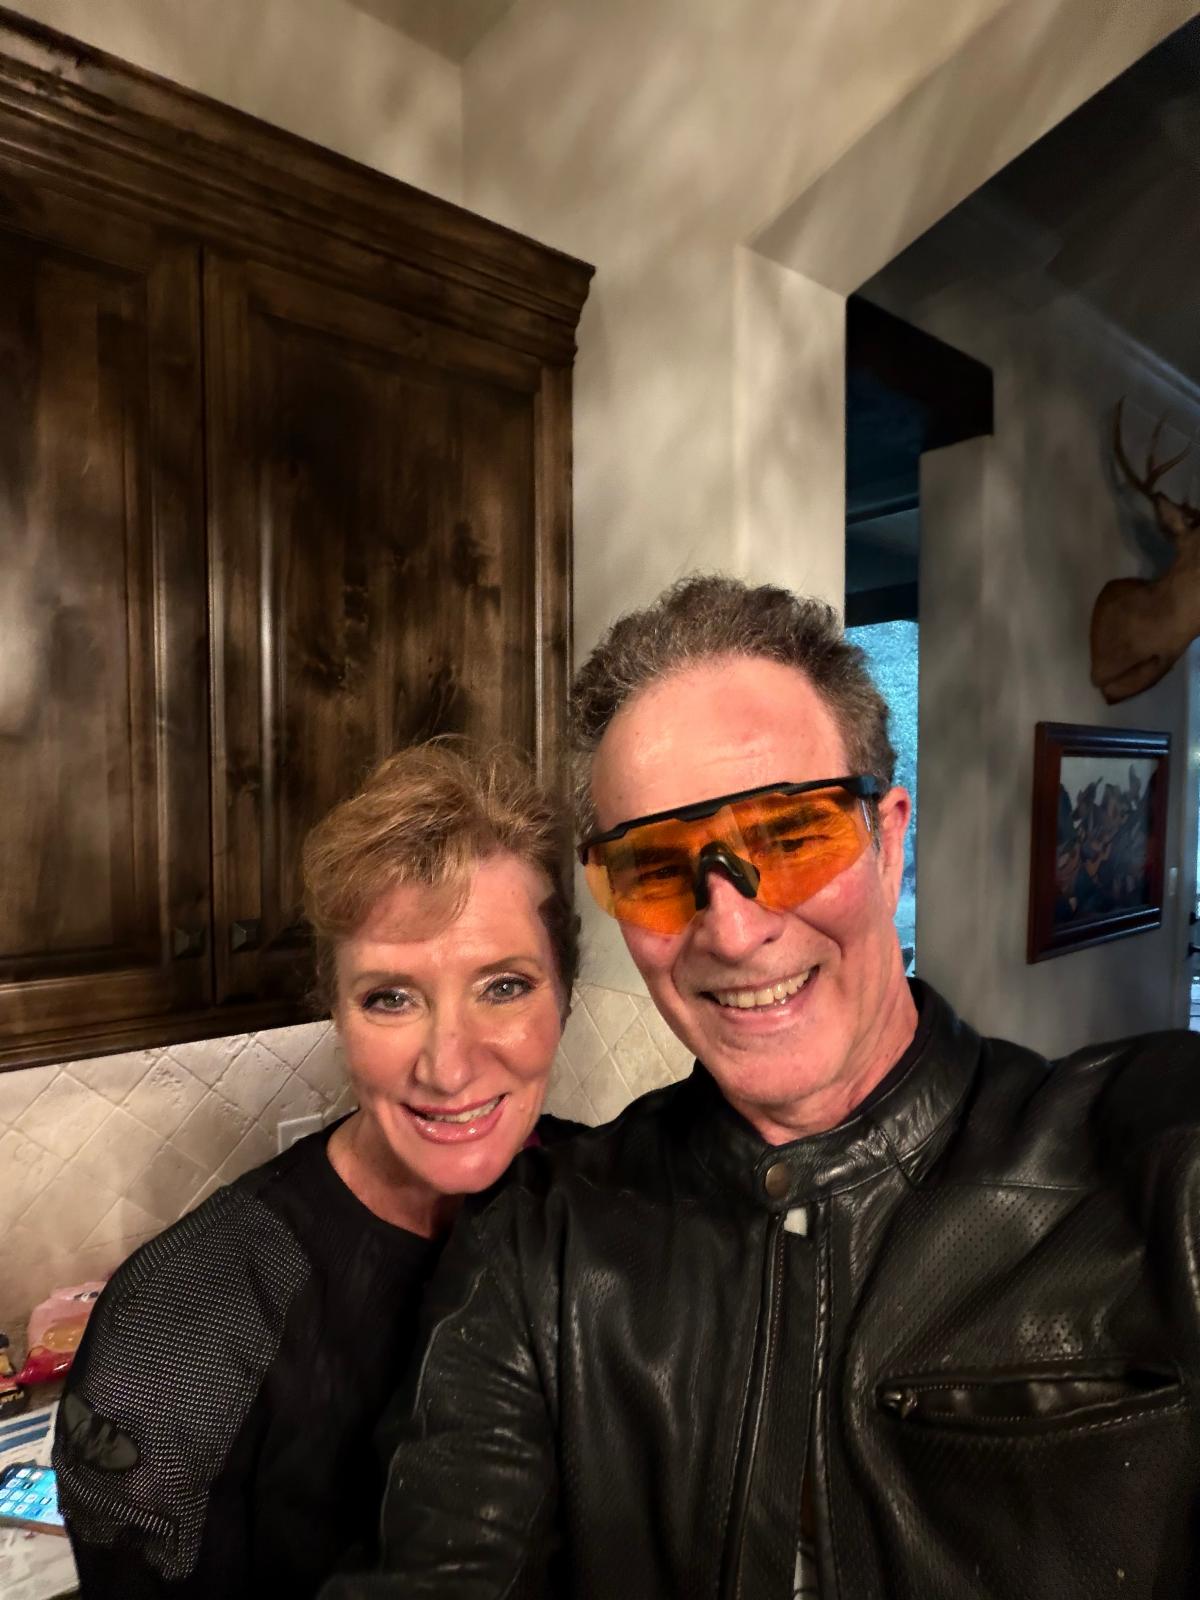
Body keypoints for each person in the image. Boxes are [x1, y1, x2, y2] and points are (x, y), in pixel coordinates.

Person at [328, 575, 1200, 1600]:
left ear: (888, 843)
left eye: (791, 837)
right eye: (656, 868)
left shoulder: (1158, 1169)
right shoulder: (542, 1243)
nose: (734, 931)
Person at [53, 742, 580, 1598]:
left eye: (504, 986)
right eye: (390, 998)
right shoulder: (183, 1327)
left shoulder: (617, 1206)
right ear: (334, 1011)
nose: (449, 1066)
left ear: (565, 994)